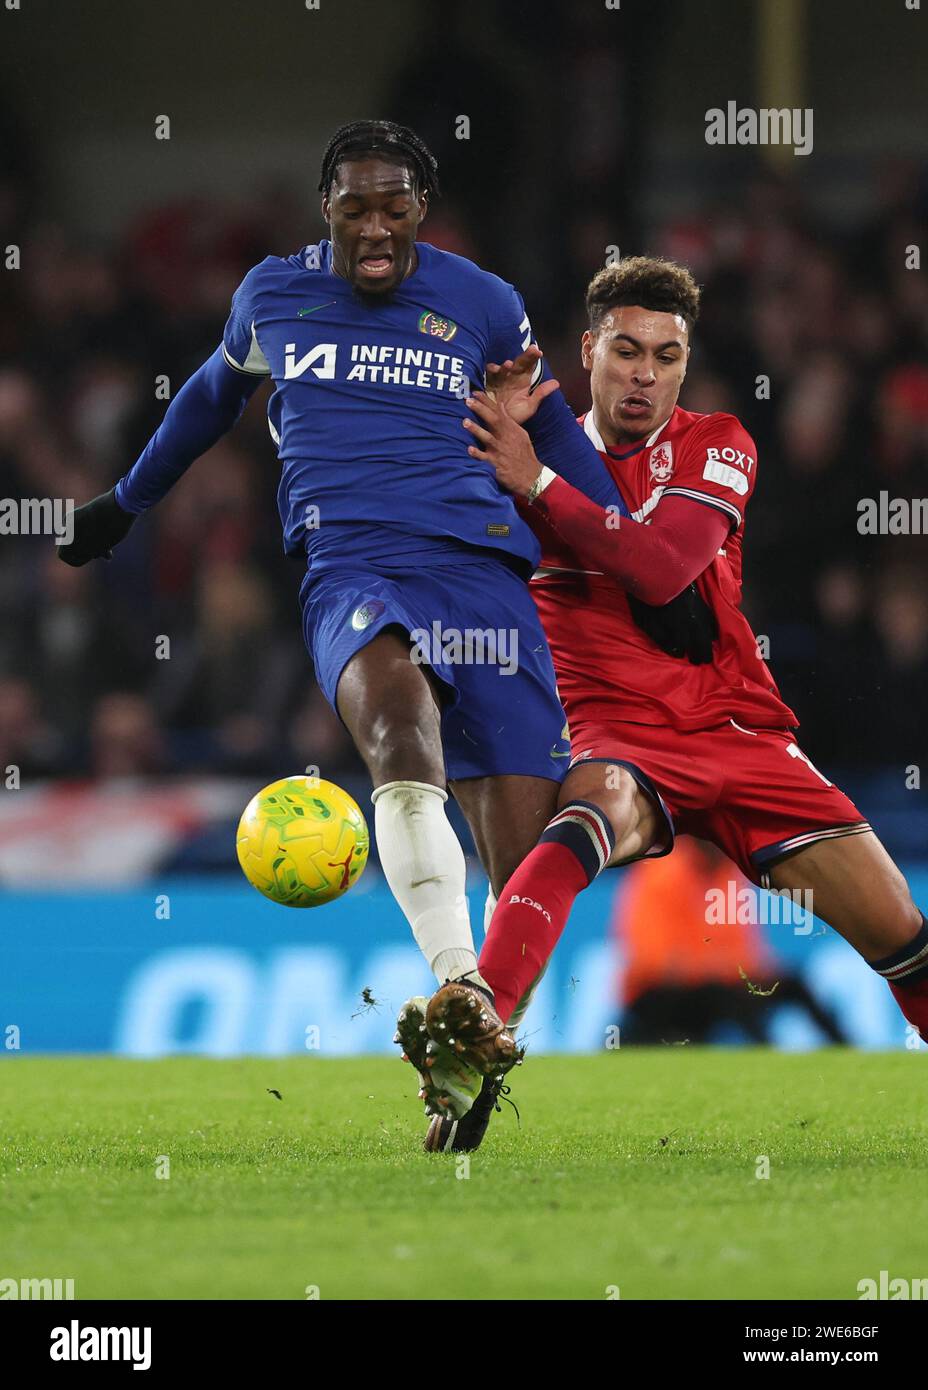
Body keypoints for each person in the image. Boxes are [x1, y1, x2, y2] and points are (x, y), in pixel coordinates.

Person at [58, 121, 704, 1137]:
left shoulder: (484, 305)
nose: (373, 227)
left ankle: (468, 1053)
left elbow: (543, 430)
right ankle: (458, 994)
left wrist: (625, 547)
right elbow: (206, 400)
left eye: (392, 207)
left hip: (486, 574)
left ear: (419, 210)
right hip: (351, 561)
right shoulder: (271, 294)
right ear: (326, 208)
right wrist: (127, 501)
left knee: (519, 857)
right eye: (352, 206)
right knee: (400, 731)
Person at [423, 254, 927, 1148]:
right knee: (578, 824)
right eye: (625, 351)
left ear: (685, 364)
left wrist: (537, 483)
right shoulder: (508, 454)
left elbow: (660, 570)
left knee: (906, 940)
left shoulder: (717, 442)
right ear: (589, 351)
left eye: (666, 355)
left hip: (742, 733)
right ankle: (474, 1035)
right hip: (620, 733)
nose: (644, 375)